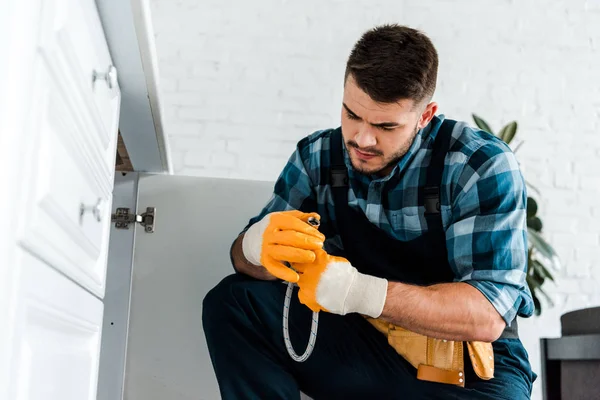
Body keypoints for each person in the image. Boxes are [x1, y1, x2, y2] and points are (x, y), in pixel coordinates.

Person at [202, 24, 536, 399]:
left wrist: (360, 291)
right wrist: (253, 246)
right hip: (368, 349)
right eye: (352, 114)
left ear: (426, 115)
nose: (362, 139)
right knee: (234, 302)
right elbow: (245, 263)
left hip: (470, 368)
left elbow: (487, 316)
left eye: (385, 126)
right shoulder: (318, 157)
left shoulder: (478, 165)